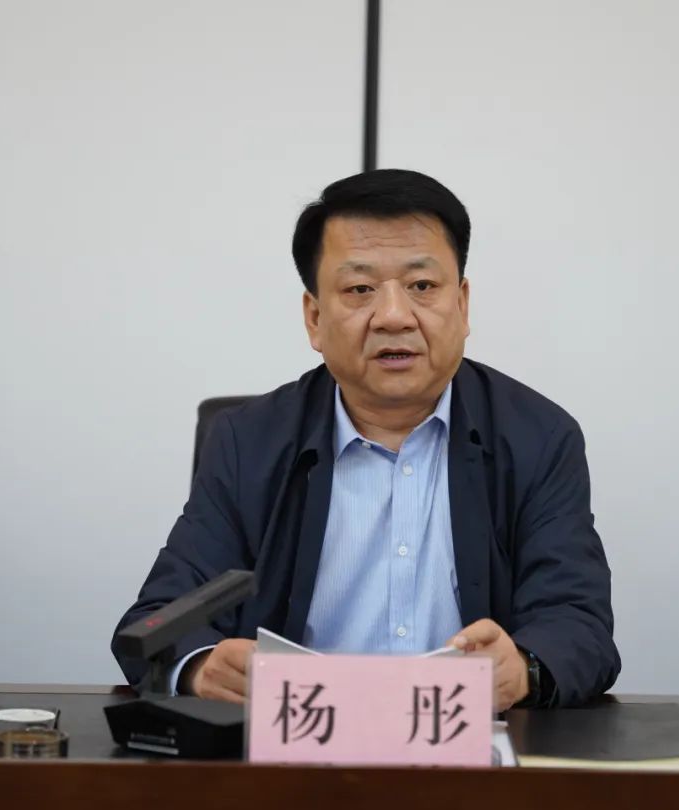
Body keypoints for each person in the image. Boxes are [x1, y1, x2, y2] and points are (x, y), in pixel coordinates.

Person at [112, 169, 620, 710]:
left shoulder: (538, 437)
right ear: (314, 318)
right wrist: (199, 667)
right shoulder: (248, 442)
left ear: (463, 304)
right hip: (300, 744)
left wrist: (523, 666)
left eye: (422, 286)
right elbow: (159, 621)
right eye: (360, 290)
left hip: (468, 746)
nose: (394, 317)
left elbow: (578, 625)